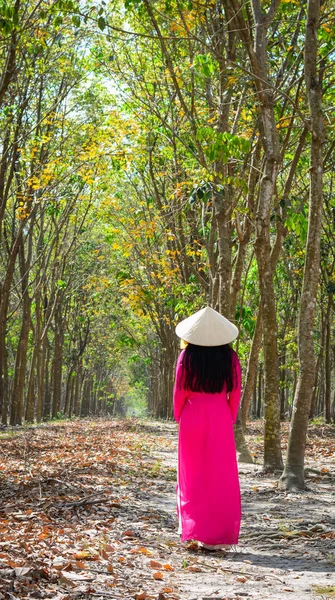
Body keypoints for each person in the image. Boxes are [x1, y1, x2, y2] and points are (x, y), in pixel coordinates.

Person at [173, 306, 242, 551]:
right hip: (220, 417)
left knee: (192, 474)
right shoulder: (231, 358)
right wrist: (229, 417)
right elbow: (235, 392)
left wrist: (179, 414)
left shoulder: (187, 356)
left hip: (192, 416)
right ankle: (220, 535)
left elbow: (180, 390)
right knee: (221, 474)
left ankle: (194, 528)